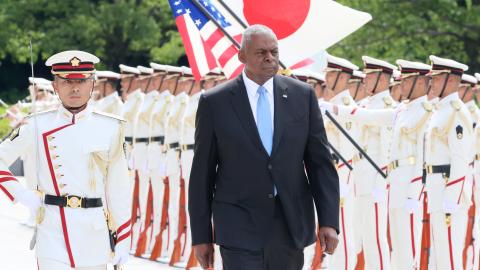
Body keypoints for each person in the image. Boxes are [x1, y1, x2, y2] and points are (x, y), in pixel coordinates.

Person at [188, 24, 339, 270]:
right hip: (238, 224)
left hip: (289, 224)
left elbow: (320, 164)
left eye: (274, 52)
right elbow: (202, 175)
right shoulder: (215, 103)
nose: (270, 58)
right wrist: (201, 236)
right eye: (261, 53)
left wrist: (329, 221)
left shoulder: (302, 96)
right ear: (242, 56)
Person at [0, 50, 131, 269]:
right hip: (52, 230)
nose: (75, 88)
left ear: (92, 84)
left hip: (94, 234)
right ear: (55, 86)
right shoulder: (36, 124)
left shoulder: (111, 128)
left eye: (81, 81)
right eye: (67, 82)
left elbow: (118, 188)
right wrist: (21, 194)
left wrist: (124, 238)